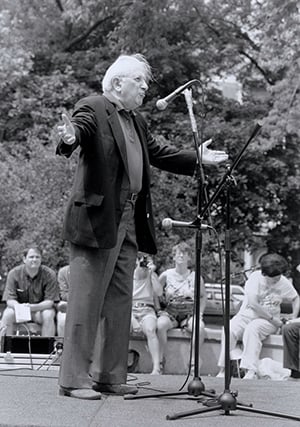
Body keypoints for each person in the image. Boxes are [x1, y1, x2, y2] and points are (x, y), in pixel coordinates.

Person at [56, 53, 228, 400]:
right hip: (97, 219)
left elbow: (159, 152)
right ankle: (74, 379)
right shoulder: (93, 106)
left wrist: (197, 156)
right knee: (87, 300)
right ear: (118, 83)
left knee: (121, 301)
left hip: (130, 219)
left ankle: (109, 375)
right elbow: (81, 130)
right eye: (140, 81)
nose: (146, 88)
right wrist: (71, 136)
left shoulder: (136, 121)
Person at [217, 253, 300, 379]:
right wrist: (273, 319)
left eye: (278, 277)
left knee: (253, 329)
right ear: (264, 274)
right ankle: (223, 369)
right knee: (228, 329)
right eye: (274, 279)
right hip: (247, 316)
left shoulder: (282, 281)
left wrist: (293, 316)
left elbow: (296, 298)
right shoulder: (255, 278)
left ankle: (250, 370)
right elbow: (253, 303)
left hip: (266, 322)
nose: (277, 280)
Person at [157, 242, 207, 373]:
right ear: (173, 257)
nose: (181, 255)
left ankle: (193, 361)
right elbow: (155, 292)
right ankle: (160, 360)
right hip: (171, 313)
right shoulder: (166, 275)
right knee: (160, 325)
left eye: (184, 253)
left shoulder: (195, 277)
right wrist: (158, 309)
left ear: (189, 257)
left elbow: (202, 296)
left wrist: (200, 313)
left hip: (189, 313)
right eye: (178, 253)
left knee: (199, 328)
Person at [0, 245, 59, 337]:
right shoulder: (14, 273)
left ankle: (47, 349)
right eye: (31, 257)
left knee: (49, 314)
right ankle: (5, 347)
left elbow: (49, 302)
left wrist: (31, 307)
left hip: (39, 311)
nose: (34, 260)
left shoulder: (50, 274)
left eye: (37, 257)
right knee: (7, 313)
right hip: (19, 311)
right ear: (24, 259)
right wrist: (20, 307)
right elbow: (9, 300)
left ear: (41, 259)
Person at [131, 254, 162, 375]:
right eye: (140, 261)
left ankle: (156, 367)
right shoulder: (128, 275)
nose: (142, 264)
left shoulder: (151, 275)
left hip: (147, 309)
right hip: (130, 309)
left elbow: (159, 293)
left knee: (150, 330)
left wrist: (152, 273)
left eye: (146, 261)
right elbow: (124, 300)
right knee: (121, 328)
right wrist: (133, 321)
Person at [56, 265, 70, 337]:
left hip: (90, 303)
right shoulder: (63, 272)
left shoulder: (93, 270)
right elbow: (63, 294)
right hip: (69, 303)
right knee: (63, 319)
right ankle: (61, 345)